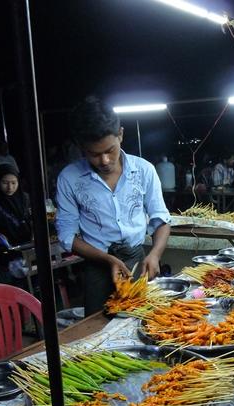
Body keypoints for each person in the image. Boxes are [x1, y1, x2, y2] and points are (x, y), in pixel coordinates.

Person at [56, 96, 171, 316]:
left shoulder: (144, 170)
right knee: (96, 329)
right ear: (81, 147)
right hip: (96, 265)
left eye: (110, 150)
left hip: (137, 262)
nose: (105, 160)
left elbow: (161, 221)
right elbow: (67, 236)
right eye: (94, 154)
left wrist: (155, 254)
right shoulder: (69, 179)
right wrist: (107, 259)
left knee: (140, 321)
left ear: (120, 134)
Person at [0, 164, 32, 280]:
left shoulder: (26, 198)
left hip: (30, 246)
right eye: (5, 183)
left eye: (14, 183)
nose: (10, 187)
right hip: (8, 251)